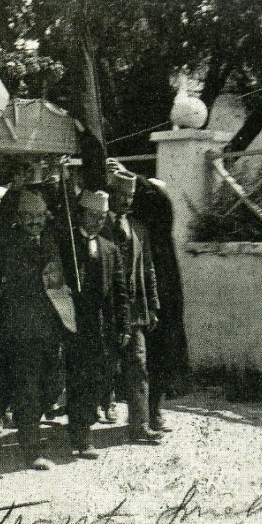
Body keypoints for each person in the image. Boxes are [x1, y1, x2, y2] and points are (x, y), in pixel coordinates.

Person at [107, 160, 189, 432]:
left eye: (133, 195)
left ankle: (150, 413)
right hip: (127, 296)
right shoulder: (121, 224)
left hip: (156, 293)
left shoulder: (155, 219)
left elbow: (155, 200)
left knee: (153, 355)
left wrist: (129, 174)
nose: (128, 201)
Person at [0, 187, 66, 470]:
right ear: (18, 218)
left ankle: (19, 418)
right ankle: (31, 448)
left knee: (53, 385)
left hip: (51, 328)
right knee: (29, 390)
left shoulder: (51, 240)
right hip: (21, 330)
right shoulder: (9, 242)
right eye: (28, 216)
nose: (34, 221)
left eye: (39, 215)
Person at [56, 189, 130, 459]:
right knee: (77, 379)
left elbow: (120, 291)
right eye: (92, 216)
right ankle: (82, 436)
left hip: (101, 327)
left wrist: (124, 325)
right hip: (72, 324)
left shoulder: (110, 249)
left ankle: (81, 427)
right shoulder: (66, 244)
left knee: (97, 379)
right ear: (81, 215)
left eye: (101, 217)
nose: (97, 222)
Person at [101, 169, 163, 443]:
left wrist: (153, 306)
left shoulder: (138, 228)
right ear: (111, 194)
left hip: (135, 310)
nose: (126, 201)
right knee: (104, 365)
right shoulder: (98, 224)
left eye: (130, 196)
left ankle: (140, 425)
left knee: (138, 365)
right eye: (121, 195)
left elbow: (148, 269)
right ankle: (96, 409)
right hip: (106, 310)